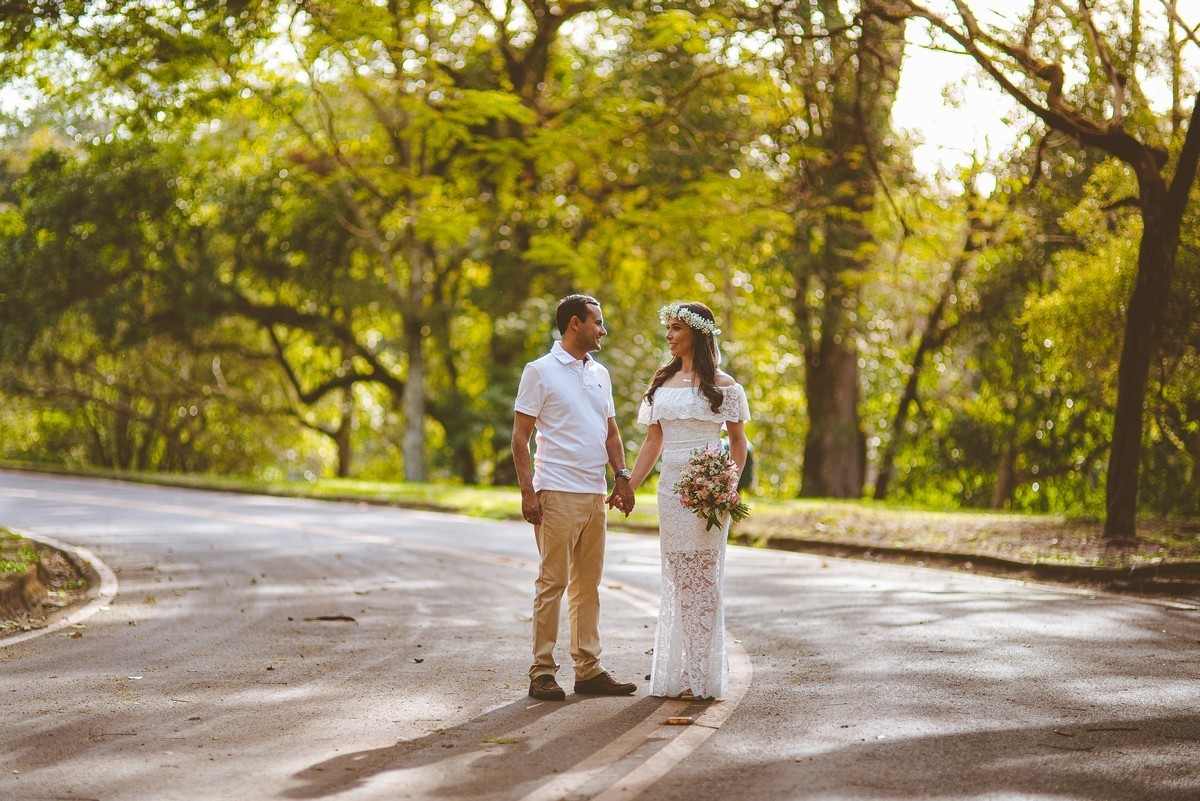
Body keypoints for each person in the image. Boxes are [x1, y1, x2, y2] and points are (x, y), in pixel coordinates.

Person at [512, 294, 639, 702]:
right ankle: (542, 672)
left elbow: (611, 433)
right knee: (553, 583)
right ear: (574, 325)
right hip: (556, 491)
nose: (603, 330)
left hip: (594, 494)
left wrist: (621, 476)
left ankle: (588, 668)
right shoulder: (540, 372)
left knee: (589, 586)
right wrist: (528, 491)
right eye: (597, 323)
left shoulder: (600, 373)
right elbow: (520, 437)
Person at [627, 301, 750, 700]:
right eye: (669, 328)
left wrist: (726, 484)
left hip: (708, 492)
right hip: (671, 491)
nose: (669, 335)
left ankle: (703, 675)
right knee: (680, 580)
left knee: (705, 581)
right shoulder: (661, 384)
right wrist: (629, 484)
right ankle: (679, 674)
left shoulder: (725, 386)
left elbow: (736, 442)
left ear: (697, 333)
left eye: (676, 328)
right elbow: (652, 443)